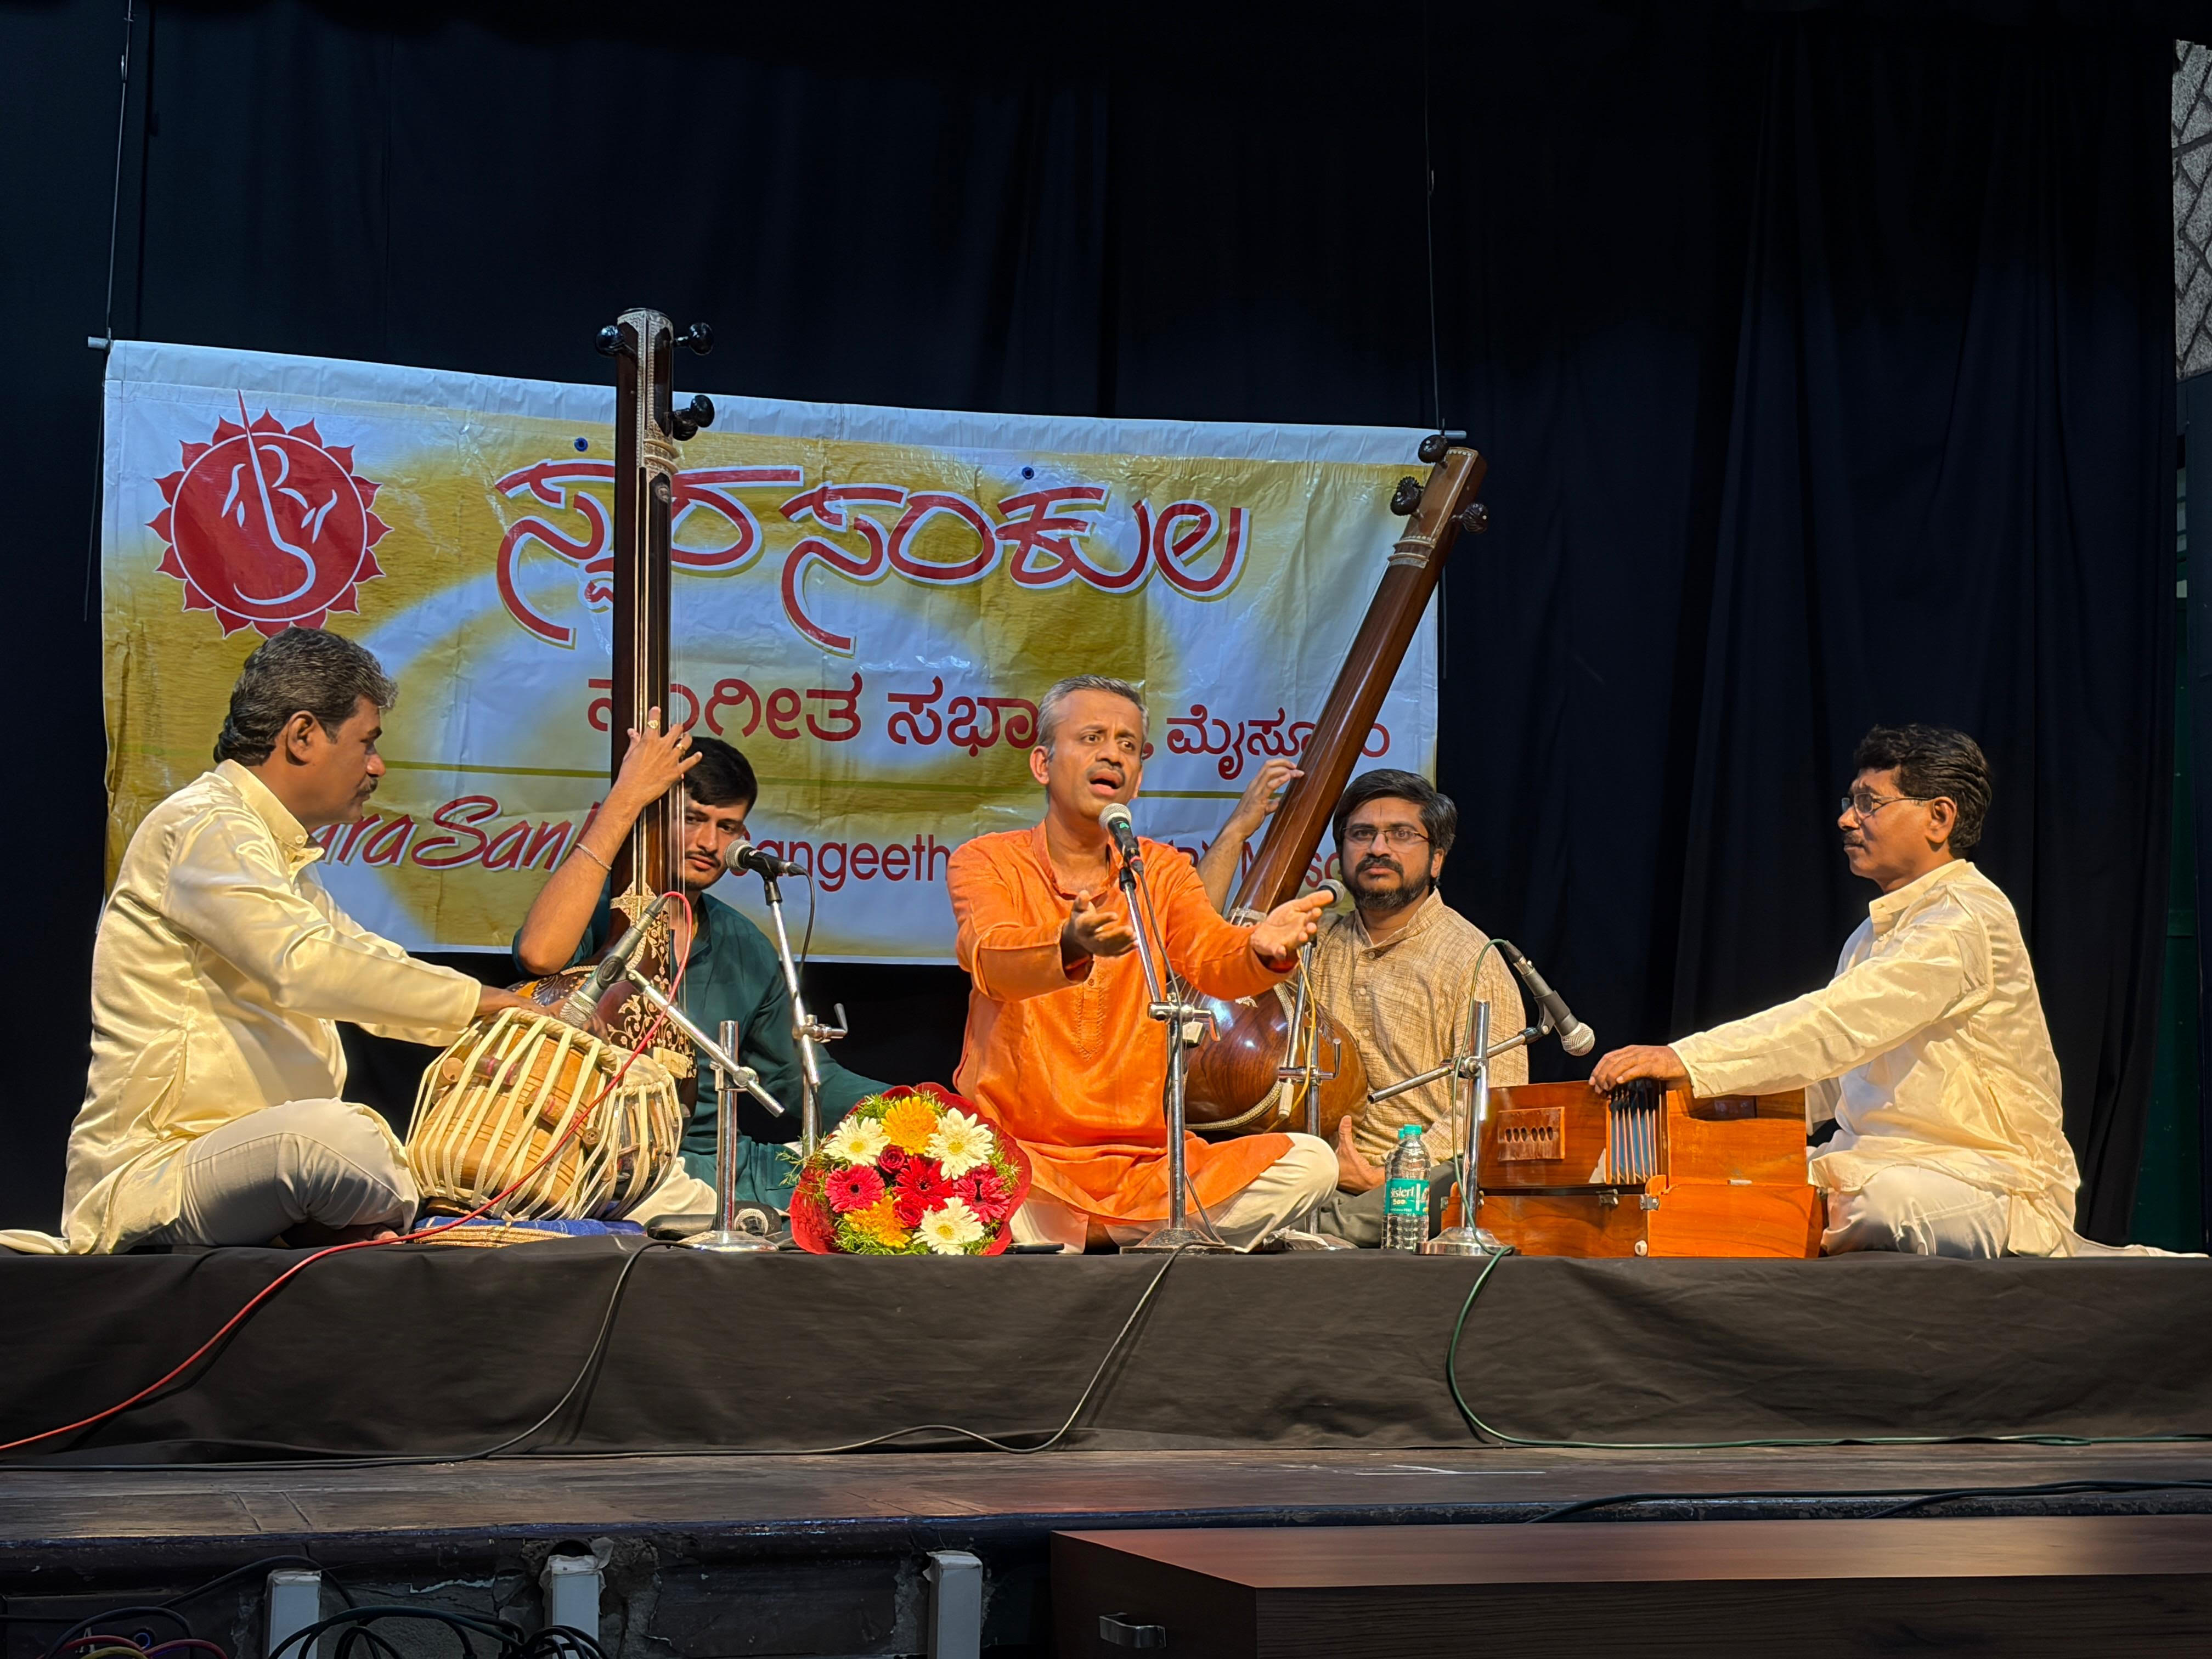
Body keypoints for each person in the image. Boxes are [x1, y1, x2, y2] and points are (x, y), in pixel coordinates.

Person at [49, 627, 534, 1254]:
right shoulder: (202, 825)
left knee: (391, 1153)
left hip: (243, 1167)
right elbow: (304, 966)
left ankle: (338, 1217)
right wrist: (484, 1004)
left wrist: (504, 1024)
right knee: (336, 1142)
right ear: (303, 736)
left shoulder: (276, 856)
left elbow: (363, 958)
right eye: (367, 743)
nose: (378, 766)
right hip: (160, 1170)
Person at [1589, 724, 2094, 1259]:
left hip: (1988, 1178)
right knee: (1727, 1188)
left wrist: (1685, 1059)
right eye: (1850, 801)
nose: (1847, 819)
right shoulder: (1870, 936)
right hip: (1869, 1162)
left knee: (1869, 1204)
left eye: (1869, 803)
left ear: (1939, 818)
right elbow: (1829, 1079)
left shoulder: (1965, 919)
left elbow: (1836, 1025)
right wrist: (1691, 1112)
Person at [947, 676, 1336, 1250]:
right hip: (1022, 1161)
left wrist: (1258, 949)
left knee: (1311, 1164)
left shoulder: (1160, 870)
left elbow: (1211, 957)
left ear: (1139, 775)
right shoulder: (987, 861)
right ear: (1043, 764)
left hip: (1143, 1165)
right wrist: (1070, 944)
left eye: (1128, 745)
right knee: (955, 1192)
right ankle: (1115, 1236)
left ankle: (1088, 1235)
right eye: (1093, 738)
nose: (1113, 754)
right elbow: (992, 958)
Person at [514, 720, 885, 1221]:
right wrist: (623, 803)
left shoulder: (745, 944)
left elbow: (798, 1080)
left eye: (727, 827)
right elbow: (538, 956)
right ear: (654, 816)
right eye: (693, 819)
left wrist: (918, 1110)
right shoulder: (601, 913)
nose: (710, 842)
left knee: (870, 1191)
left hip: (719, 1163)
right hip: (601, 1158)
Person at [1201, 767, 1527, 1245]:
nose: (1379, 848)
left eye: (1401, 835)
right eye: (1362, 834)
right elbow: (1201, 952)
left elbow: (1495, 1107)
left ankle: (1288, 1236)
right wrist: (1237, 831)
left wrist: (1390, 1176)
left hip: (1412, 1179)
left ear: (1436, 859)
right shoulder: (1315, 941)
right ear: (1341, 856)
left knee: (1454, 1182)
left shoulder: (1472, 960)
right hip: (1313, 1172)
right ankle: (1290, 1230)